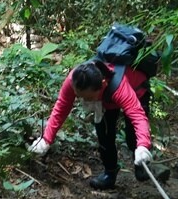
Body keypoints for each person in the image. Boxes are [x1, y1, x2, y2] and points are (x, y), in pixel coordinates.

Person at [29, 59, 153, 190]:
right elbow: (61, 108)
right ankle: (110, 173)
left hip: (137, 90)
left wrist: (143, 145)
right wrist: (46, 140)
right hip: (105, 101)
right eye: (80, 97)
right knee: (104, 134)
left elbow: (138, 116)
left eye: (87, 98)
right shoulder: (75, 79)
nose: (83, 101)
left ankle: (141, 162)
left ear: (103, 84)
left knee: (133, 138)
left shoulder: (120, 87)